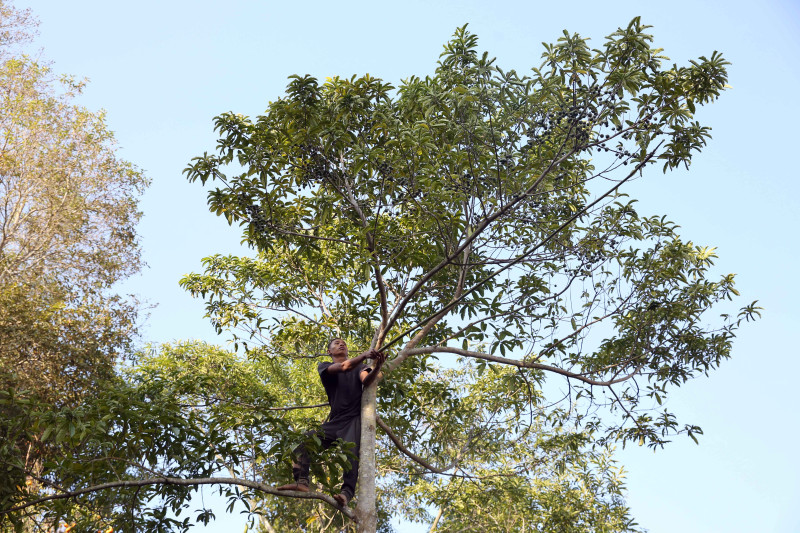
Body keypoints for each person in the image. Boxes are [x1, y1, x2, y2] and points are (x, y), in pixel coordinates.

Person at [277, 338, 385, 506]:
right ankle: (302, 482)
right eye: (336, 343)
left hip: (353, 420)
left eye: (344, 343)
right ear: (329, 352)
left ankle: (346, 494)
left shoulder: (360, 367)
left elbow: (367, 380)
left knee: (351, 456)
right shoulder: (325, 366)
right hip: (335, 421)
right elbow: (343, 367)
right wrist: (364, 355)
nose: (341, 344)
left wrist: (377, 366)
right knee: (304, 440)